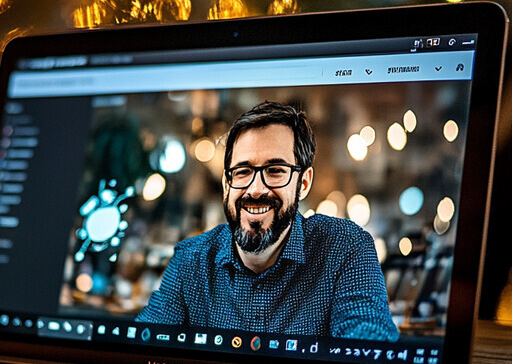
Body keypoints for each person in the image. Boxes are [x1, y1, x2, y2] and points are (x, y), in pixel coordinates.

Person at [137, 101, 399, 340]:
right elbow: (144, 347)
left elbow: (370, 345)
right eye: (242, 172)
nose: (255, 188)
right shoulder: (190, 261)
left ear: (304, 183)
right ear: (226, 184)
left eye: (275, 171)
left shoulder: (345, 248)